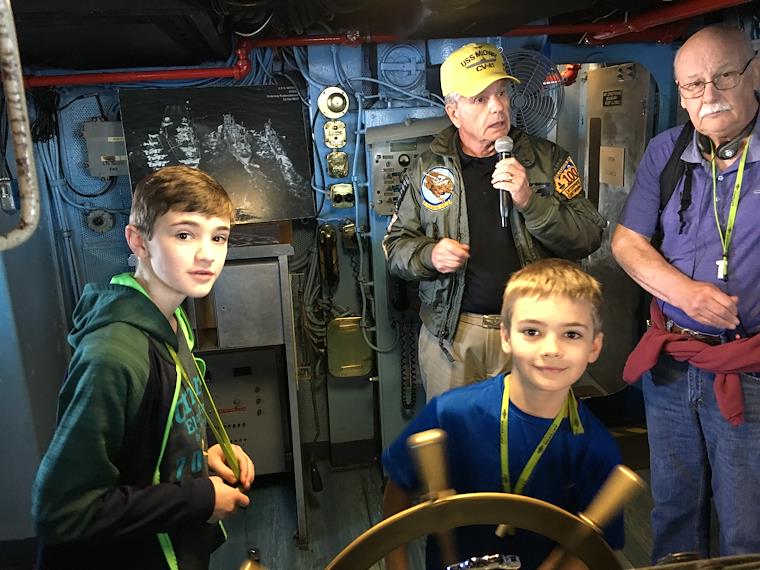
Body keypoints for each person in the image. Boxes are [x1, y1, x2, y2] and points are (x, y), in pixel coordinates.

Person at [32, 165, 255, 570]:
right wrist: (198, 497)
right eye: (184, 235)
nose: (207, 254)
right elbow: (61, 512)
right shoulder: (113, 354)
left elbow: (147, 445)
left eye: (218, 237)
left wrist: (202, 458)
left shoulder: (172, 322)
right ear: (138, 241)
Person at [383, 42, 607, 400]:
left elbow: (589, 236)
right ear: (453, 112)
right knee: (454, 433)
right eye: (480, 99)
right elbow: (395, 247)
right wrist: (429, 255)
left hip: (533, 334)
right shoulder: (427, 169)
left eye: (501, 93)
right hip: (454, 338)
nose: (498, 107)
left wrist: (531, 203)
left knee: (531, 433)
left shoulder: (547, 159)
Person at [611, 25, 760, 563]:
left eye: (724, 76)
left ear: (755, 72)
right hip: (672, 366)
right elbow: (626, 242)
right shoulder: (667, 151)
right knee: (673, 508)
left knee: (747, 521)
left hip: (749, 370)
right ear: (680, 94)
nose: (709, 94)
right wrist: (685, 293)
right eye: (693, 85)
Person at [381, 259, 624, 570]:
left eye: (571, 334)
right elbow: (398, 492)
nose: (552, 349)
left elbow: (590, 546)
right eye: (532, 331)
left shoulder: (597, 450)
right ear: (506, 337)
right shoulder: (452, 415)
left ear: (594, 346)